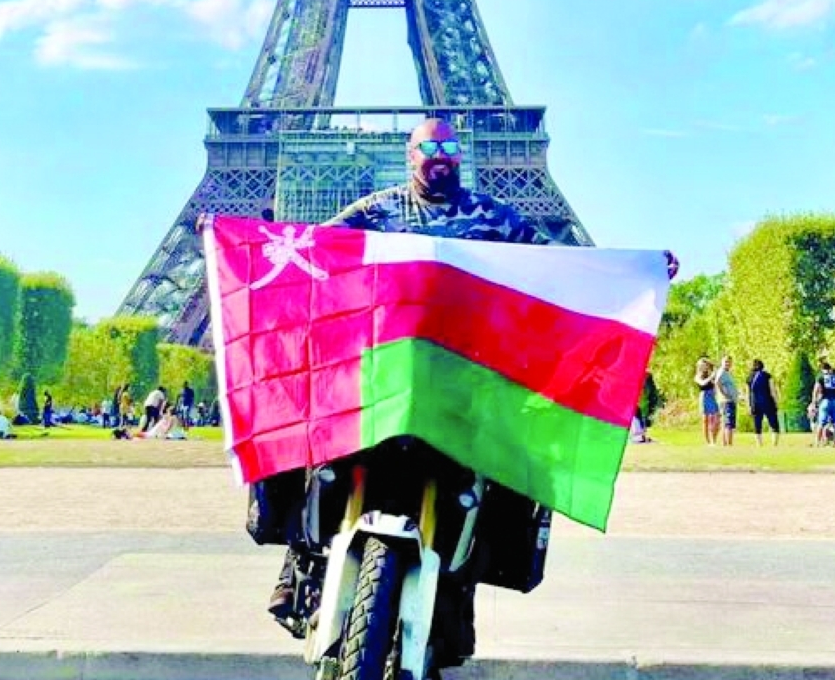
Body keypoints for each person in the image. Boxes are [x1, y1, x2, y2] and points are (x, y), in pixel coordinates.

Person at [264, 116, 674, 645]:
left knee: (492, 484)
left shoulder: (494, 218)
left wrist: (641, 269)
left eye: (450, 145)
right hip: (389, 371)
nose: (441, 155)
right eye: (429, 146)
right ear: (410, 154)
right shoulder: (375, 212)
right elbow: (310, 249)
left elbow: (564, 267)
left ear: (461, 155)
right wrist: (240, 238)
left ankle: (458, 610)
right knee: (321, 445)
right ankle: (299, 566)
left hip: (462, 381)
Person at [747, 359, 780, 446]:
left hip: (755, 403)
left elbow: (747, 393)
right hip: (767, 401)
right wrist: (776, 402)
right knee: (774, 424)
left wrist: (749, 406)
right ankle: (774, 444)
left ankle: (759, 444)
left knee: (757, 424)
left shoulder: (749, 377)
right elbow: (772, 391)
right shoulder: (767, 376)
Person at [714, 354, 740, 447]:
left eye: (729, 362)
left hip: (730, 400)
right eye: (726, 362)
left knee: (728, 423)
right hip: (726, 401)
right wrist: (724, 394)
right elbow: (717, 382)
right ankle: (729, 445)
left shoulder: (727, 372)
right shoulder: (721, 372)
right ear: (722, 362)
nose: (727, 364)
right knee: (728, 423)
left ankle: (727, 444)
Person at [694, 357, 719, 444]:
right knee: (705, 420)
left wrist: (706, 359)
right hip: (704, 396)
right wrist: (711, 377)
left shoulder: (710, 374)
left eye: (705, 365)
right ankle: (708, 441)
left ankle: (714, 440)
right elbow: (702, 383)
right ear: (699, 367)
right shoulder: (697, 376)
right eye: (702, 365)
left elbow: (716, 366)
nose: (704, 367)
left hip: (712, 396)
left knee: (715, 419)